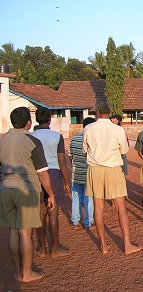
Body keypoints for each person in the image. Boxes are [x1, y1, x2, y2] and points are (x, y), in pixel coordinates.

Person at [0, 107, 56, 282]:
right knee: (25, 233)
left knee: (13, 232)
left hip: (5, 189)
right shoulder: (32, 141)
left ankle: (18, 272)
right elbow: (42, 173)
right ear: (28, 123)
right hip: (27, 189)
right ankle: (27, 273)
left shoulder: (2, 140)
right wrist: (51, 194)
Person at [83, 101, 142, 255]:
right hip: (114, 169)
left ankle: (103, 245)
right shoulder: (118, 129)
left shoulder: (88, 128)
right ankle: (127, 245)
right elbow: (124, 149)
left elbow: (85, 149)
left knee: (98, 208)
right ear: (110, 111)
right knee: (121, 208)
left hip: (95, 169)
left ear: (96, 112)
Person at [32, 107, 71, 258]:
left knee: (41, 213)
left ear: (36, 119)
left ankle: (41, 248)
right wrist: (66, 182)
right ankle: (55, 248)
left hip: (36, 174)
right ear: (50, 119)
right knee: (53, 212)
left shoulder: (31, 136)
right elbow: (62, 161)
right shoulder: (57, 136)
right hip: (53, 174)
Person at [68, 117, 96, 229]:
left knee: (76, 198)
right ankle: (88, 222)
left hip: (76, 173)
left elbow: (70, 156)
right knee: (88, 198)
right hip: (88, 173)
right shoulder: (92, 139)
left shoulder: (74, 138)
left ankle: (75, 222)